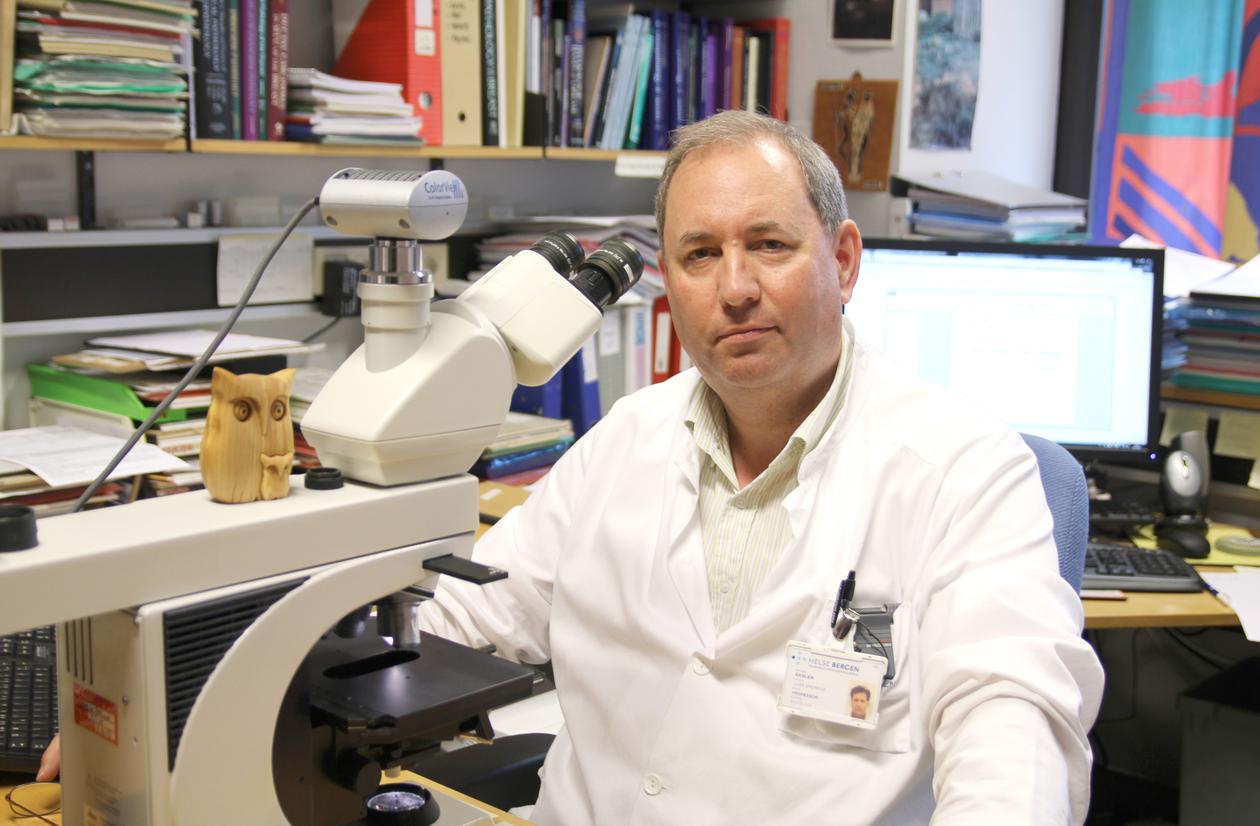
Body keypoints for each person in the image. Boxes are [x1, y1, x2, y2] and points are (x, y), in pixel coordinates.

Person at [423, 108, 1102, 825]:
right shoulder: (623, 439)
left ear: (844, 261)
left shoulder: (965, 470)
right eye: (700, 255)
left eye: (769, 245)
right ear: (669, 282)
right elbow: (467, 613)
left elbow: (1013, 729)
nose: (736, 288)